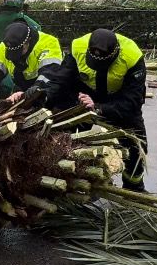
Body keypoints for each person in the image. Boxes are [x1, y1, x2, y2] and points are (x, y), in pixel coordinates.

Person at [63, 28, 148, 192]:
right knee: (68, 139)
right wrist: (75, 100)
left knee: (136, 145)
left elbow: (132, 101)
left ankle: (133, 186)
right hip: (85, 97)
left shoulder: (132, 57)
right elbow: (63, 80)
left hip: (118, 98)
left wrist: (100, 108)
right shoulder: (78, 47)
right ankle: (77, 180)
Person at [0, 20, 72, 104]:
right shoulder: (5, 46)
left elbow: (49, 73)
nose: (16, 57)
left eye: (19, 50)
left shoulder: (48, 43)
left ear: (28, 41)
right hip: (24, 85)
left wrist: (31, 92)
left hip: (54, 84)